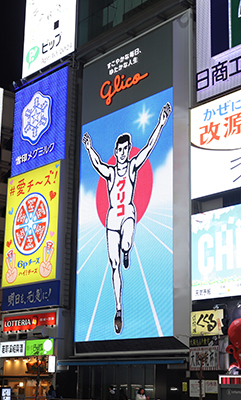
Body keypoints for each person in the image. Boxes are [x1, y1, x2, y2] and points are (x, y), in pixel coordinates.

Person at [82, 102, 171, 334]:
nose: (122, 153)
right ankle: (119, 308)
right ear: (115, 151)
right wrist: (89, 148)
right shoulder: (111, 172)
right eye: (119, 150)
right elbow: (96, 163)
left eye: (126, 149)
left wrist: (161, 122)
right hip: (112, 218)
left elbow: (150, 147)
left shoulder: (132, 167)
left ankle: (127, 250)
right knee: (113, 265)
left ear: (129, 149)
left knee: (127, 242)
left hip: (128, 213)